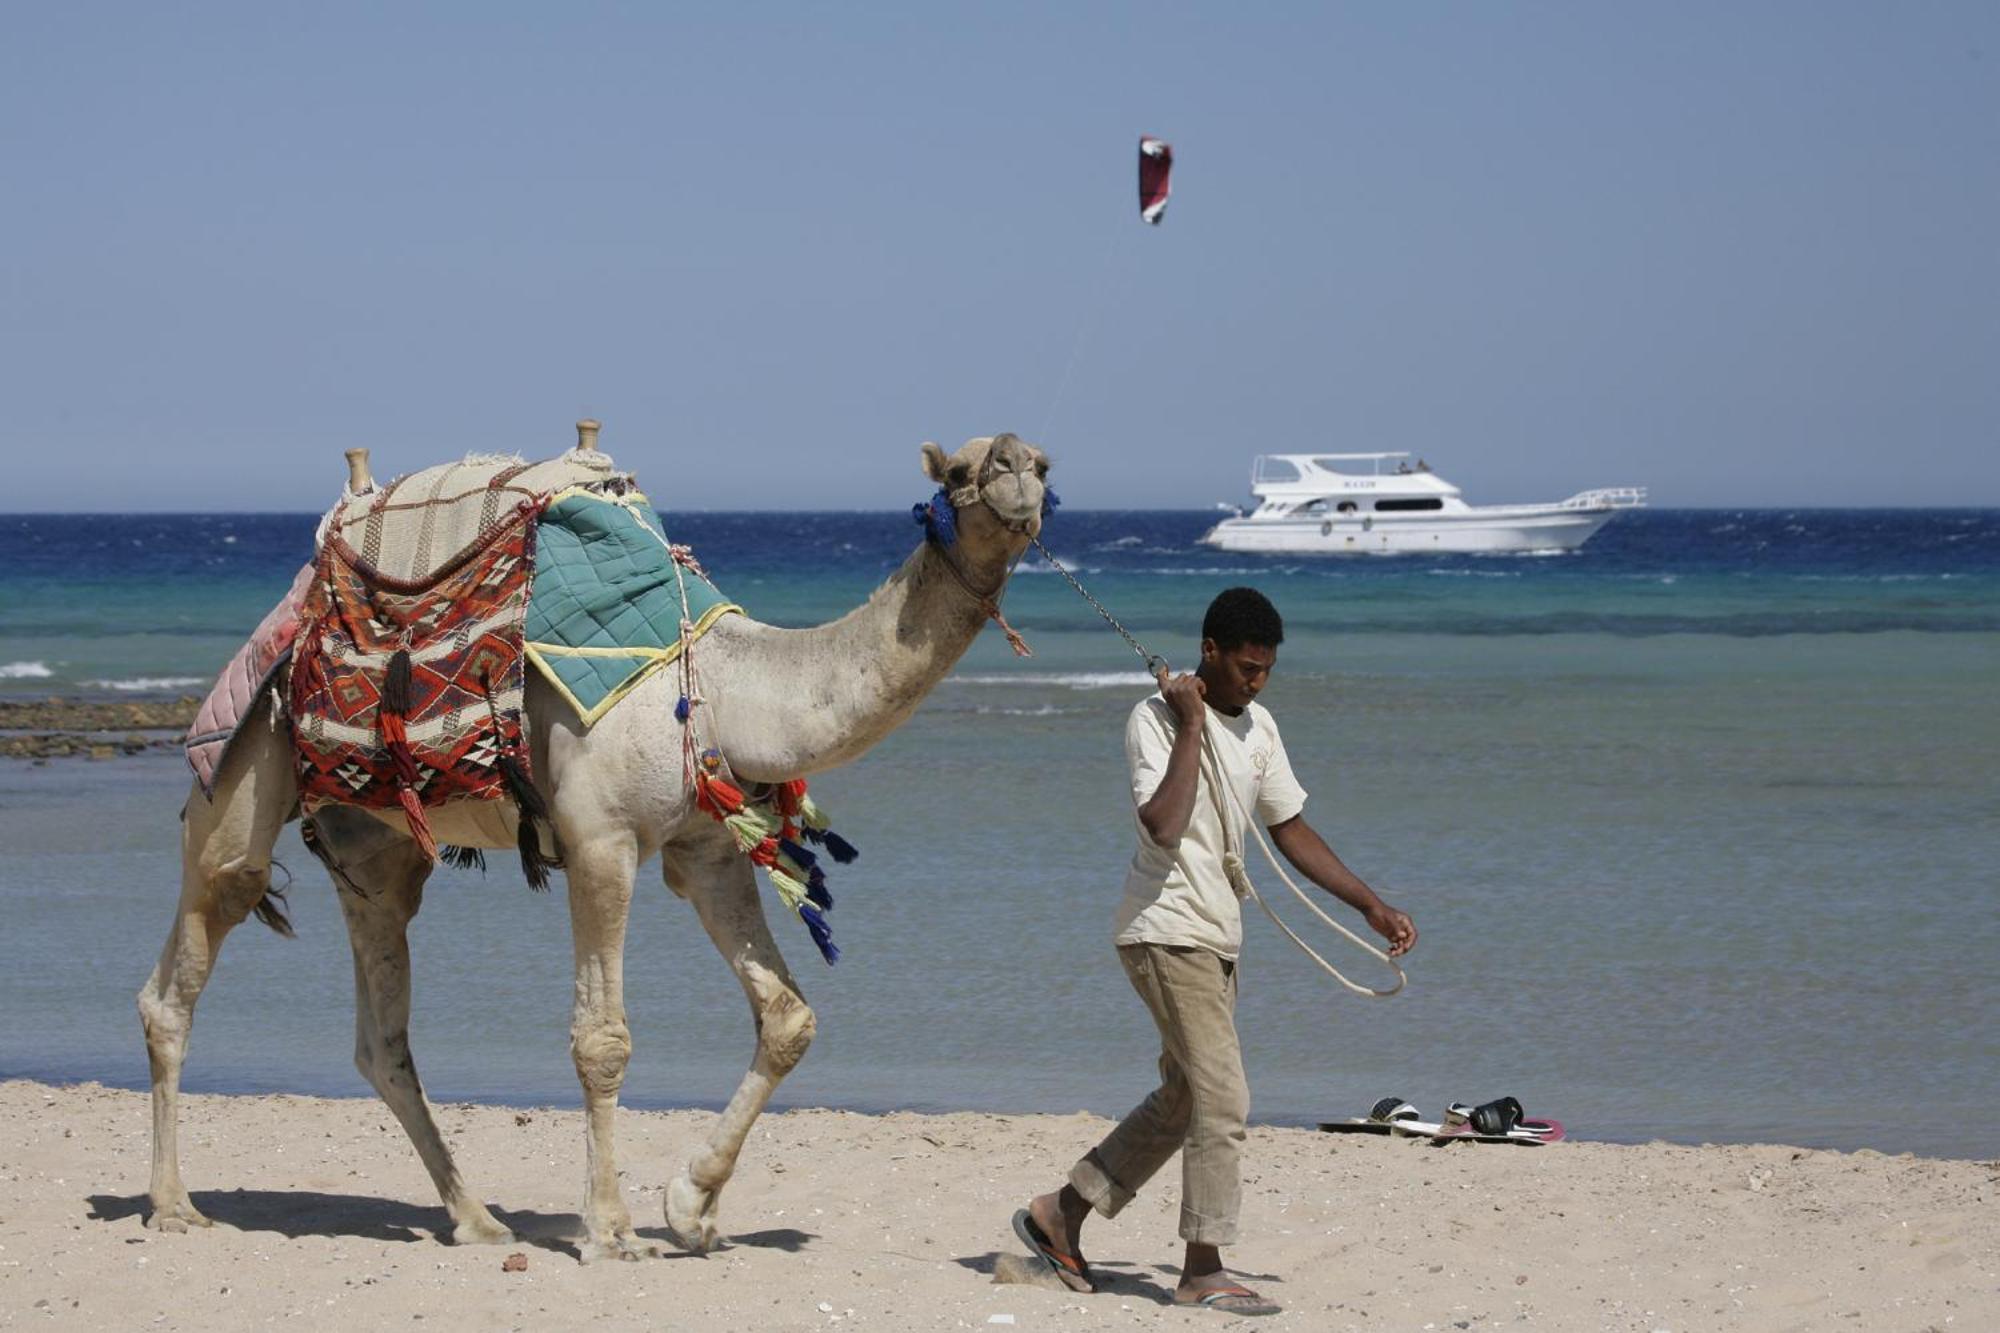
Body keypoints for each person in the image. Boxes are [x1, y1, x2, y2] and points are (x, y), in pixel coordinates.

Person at [1011, 587, 1416, 1316]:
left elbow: (1290, 827)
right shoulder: (1154, 719)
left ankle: (1059, 1214)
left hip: (1217, 937)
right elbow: (1162, 825)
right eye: (1245, 667)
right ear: (1210, 652)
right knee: (1225, 1098)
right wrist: (1192, 720)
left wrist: (1370, 904)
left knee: (1185, 1098)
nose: (1256, 681)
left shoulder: (1261, 726)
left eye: (1266, 669)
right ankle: (1202, 1266)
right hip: (1164, 929)